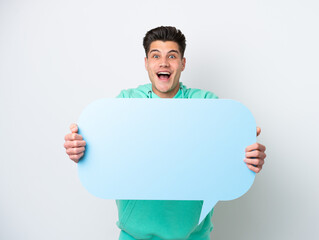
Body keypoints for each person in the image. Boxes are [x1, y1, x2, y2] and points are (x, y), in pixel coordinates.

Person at [64, 26, 266, 240]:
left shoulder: (207, 104)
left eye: (172, 56)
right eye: (155, 56)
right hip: (134, 235)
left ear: (182, 63)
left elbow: (228, 157)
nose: (163, 63)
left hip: (194, 235)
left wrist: (248, 156)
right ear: (146, 63)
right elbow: (107, 153)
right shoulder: (126, 102)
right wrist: (80, 149)